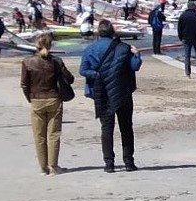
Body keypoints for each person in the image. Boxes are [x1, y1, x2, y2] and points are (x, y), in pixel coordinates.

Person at [79, 19, 143, 172]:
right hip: (122, 91)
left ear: (98, 33)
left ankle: (109, 164)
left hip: (102, 93)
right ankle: (129, 162)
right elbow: (135, 66)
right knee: (126, 127)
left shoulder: (90, 49)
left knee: (106, 128)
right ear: (113, 32)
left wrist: (96, 75)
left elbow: (83, 70)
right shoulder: (124, 48)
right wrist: (137, 55)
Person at [20, 32, 74, 175]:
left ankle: (43, 167)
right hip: (53, 98)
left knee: (39, 135)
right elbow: (70, 79)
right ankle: (54, 166)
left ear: (36, 45)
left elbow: (24, 85)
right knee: (53, 134)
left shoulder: (27, 61)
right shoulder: (56, 61)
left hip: (36, 100)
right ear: (50, 45)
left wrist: (30, 98)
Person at [176, 0, 196, 77]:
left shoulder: (183, 16)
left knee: (187, 55)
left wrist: (180, 37)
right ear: (195, 7)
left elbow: (179, 28)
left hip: (186, 37)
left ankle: (187, 72)